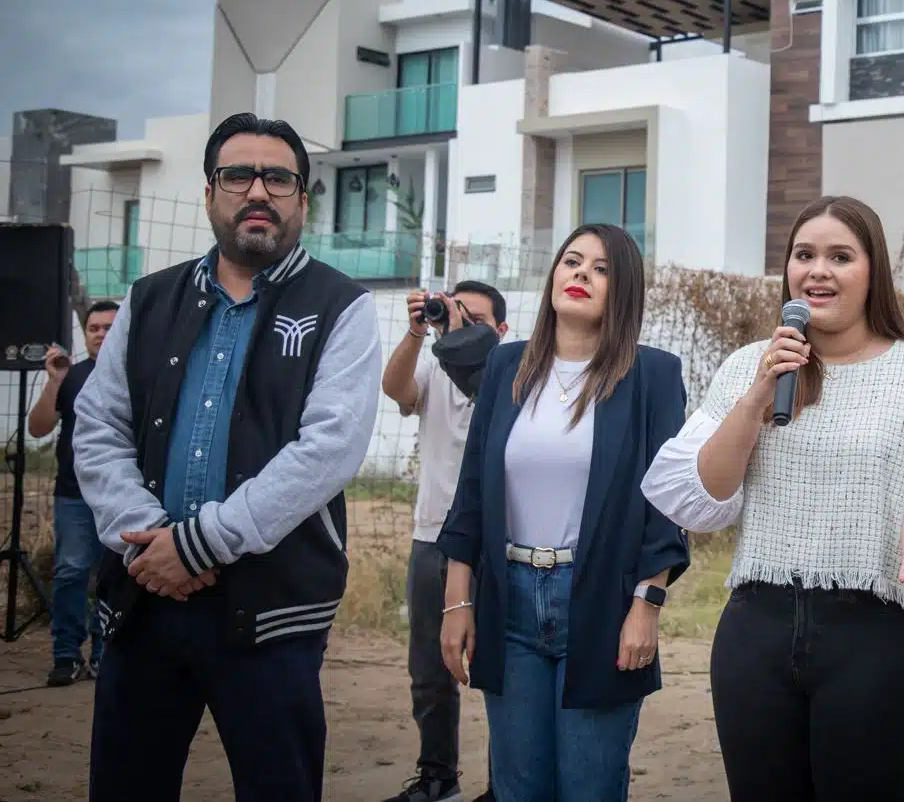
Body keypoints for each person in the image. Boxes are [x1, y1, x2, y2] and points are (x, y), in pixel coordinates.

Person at [641, 194, 904, 802]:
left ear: (872, 271)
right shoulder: (752, 365)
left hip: (876, 642)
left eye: (839, 256)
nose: (817, 270)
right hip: (757, 635)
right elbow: (699, 496)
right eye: (804, 255)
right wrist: (755, 399)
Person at [72, 112, 382, 802]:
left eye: (278, 177)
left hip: (272, 616)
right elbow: (97, 427)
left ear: (303, 198)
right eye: (238, 174)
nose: (258, 191)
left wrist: (199, 543)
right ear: (210, 191)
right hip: (143, 597)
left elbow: (328, 448)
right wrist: (149, 541)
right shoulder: (148, 300)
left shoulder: (343, 307)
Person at [437, 223, 690, 802]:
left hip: (601, 599)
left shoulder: (652, 375)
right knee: (517, 787)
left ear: (623, 291)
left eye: (601, 269)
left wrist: (646, 605)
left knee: (589, 786)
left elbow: (665, 506)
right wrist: (458, 600)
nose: (581, 274)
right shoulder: (506, 366)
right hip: (509, 599)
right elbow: (473, 490)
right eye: (572, 261)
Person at [381, 281, 509, 802]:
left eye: (475, 320)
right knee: (429, 672)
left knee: (503, 670)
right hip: (431, 535)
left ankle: (508, 784)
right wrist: (418, 332)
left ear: (501, 331)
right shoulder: (432, 367)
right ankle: (438, 779)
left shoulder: (511, 373)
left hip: (494, 543)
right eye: (454, 314)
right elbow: (395, 389)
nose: (460, 325)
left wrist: (465, 345)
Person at [28, 300, 119, 686]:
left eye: (109, 327)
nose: (100, 334)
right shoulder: (72, 376)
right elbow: (37, 428)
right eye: (93, 328)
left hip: (121, 494)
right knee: (71, 572)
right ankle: (66, 654)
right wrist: (54, 381)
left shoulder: (139, 374)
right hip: (74, 493)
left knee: (112, 576)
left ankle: (105, 654)